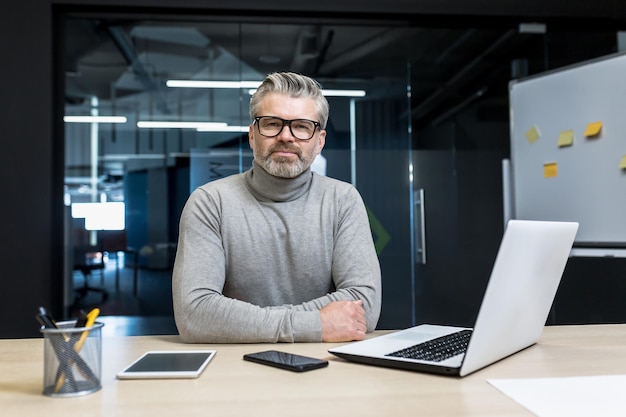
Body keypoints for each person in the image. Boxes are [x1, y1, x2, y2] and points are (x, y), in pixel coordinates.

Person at [172, 72, 382, 343]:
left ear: (319, 140)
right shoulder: (210, 203)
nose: (286, 136)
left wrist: (244, 322)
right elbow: (195, 314)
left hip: (328, 371)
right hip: (236, 371)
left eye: (302, 126)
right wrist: (316, 323)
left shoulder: (342, 200)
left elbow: (365, 306)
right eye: (272, 124)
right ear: (252, 135)